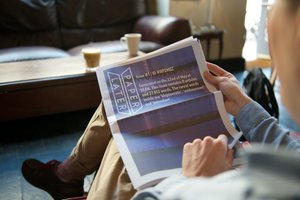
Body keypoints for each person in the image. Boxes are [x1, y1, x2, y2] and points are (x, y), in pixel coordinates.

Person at [22, 0, 300, 199]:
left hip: (205, 175)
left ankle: (67, 176)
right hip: (240, 152)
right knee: (122, 103)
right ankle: (68, 174)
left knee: (126, 145)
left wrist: (194, 183)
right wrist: (245, 107)